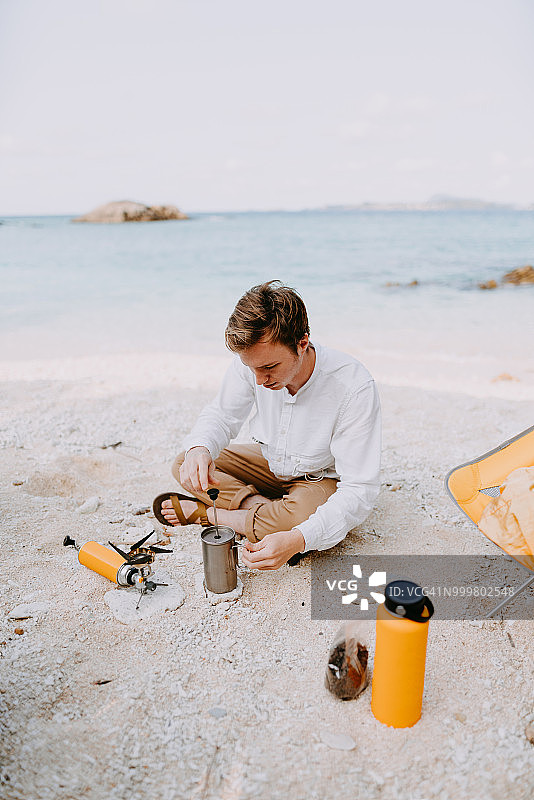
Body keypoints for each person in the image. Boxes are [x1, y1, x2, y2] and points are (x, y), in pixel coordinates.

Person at [154, 280, 381, 570]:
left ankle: (213, 515)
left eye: (269, 368)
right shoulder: (255, 362)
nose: (260, 380)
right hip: (271, 463)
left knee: (300, 520)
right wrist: (200, 449)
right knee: (186, 462)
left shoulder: (354, 386)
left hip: (319, 477)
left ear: (302, 343)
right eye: (252, 369)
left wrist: (298, 540)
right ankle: (261, 511)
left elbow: (359, 489)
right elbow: (221, 415)